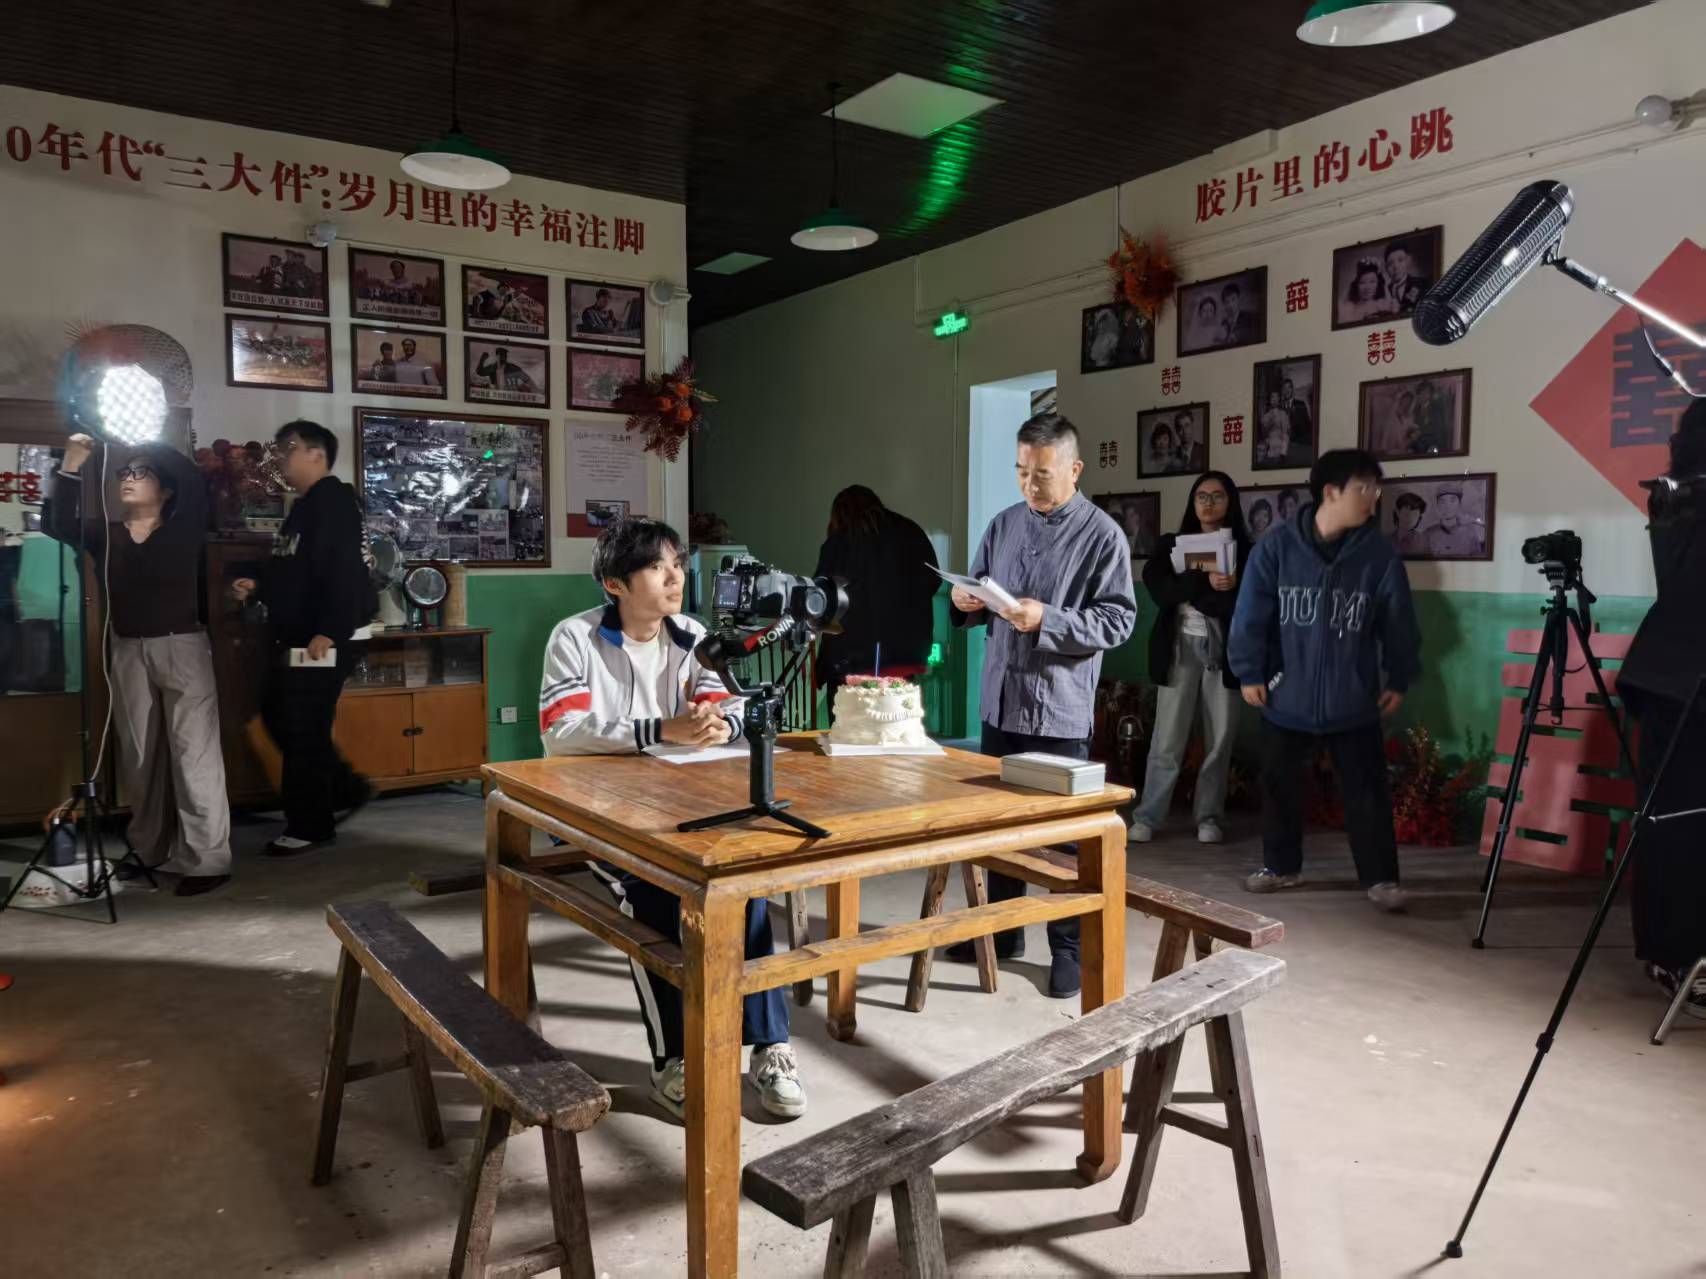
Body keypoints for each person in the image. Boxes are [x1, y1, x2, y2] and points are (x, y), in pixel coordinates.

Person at [538, 517, 806, 1121]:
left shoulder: (691, 634)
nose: (675, 578)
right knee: (655, 897)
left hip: (682, 803)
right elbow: (561, 732)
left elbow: (725, 703)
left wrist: (720, 725)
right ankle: (674, 1059)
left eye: (678, 565)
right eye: (657, 567)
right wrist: (661, 730)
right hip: (597, 813)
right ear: (615, 583)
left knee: (743, 884)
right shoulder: (575, 638)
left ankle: (770, 1047)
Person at [945, 413, 1137, 997]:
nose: (1030, 484)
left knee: (1060, 839)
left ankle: (1069, 950)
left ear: (1075, 470)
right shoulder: (1004, 524)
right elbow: (978, 584)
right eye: (1022, 471)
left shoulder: (1103, 536)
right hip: (1001, 699)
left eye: (1043, 474)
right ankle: (1003, 933)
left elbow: (1118, 620)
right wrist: (964, 598)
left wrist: (1047, 619)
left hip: (1057, 707)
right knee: (998, 828)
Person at [1228, 448, 1421, 910]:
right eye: (1364, 488)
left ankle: (1381, 879)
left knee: (1367, 793)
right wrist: (1249, 671)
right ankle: (1281, 867)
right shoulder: (1276, 548)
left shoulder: (1378, 556)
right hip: (1285, 697)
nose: (1374, 497)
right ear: (1330, 492)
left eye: (1376, 488)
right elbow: (1250, 615)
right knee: (1279, 787)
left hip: (1353, 700)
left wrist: (1398, 676)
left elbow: (1399, 623)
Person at [46, 433, 232, 896]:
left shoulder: (182, 527)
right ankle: (151, 851)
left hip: (182, 649)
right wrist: (71, 464)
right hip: (128, 650)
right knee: (140, 757)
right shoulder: (107, 535)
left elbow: (191, 479)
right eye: (124, 473)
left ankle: (207, 859)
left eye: (141, 473)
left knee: (194, 755)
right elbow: (57, 522)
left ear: (164, 490)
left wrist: (146, 438)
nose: (128, 479)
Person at [232, 421, 375, 855]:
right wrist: (258, 585)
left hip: (324, 637)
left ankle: (310, 825)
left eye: (288, 448)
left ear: (317, 454)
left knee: (301, 725)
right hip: (300, 636)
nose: (281, 457)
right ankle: (345, 788)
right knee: (281, 714)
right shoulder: (305, 506)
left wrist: (329, 631)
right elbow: (293, 569)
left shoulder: (334, 502)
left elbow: (345, 570)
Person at [1617, 396, 1706, 1009]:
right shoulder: (1681, 498)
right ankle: (1673, 956)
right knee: (1674, 824)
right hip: (1677, 684)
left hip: (1674, 677)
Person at [1131, 472, 1251, 844]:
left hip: (1225, 650)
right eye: (1202, 496)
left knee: (1220, 738)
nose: (1208, 503)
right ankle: (1148, 816)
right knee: (1167, 736)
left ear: (1230, 501)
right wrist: (1203, 579)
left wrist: (1216, 587)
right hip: (1178, 646)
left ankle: (1209, 817)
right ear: (1192, 501)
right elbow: (1162, 592)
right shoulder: (1171, 544)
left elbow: (1240, 605)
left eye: (1217, 496)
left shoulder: (1246, 551)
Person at [812, 486, 939, 714]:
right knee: (897, 722)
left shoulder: (840, 542)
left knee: (850, 725)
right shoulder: (911, 532)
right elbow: (933, 581)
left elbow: (822, 599)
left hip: (849, 658)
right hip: (904, 657)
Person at [1422, 487, 1485, 556]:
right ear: (1437, 506)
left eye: (1452, 501)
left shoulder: (1470, 533)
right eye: (1442, 502)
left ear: (1459, 504)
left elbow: (1477, 559)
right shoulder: (1428, 534)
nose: (1447, 506)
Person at [1384, 239, 1427, 313]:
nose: (1396, 267)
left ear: (1408, 261)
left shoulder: (1422, 284)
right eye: (1390, 263)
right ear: (1386, 268)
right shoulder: (1384, 291)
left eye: (1400, 260)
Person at [1409, 379, 1452, 455]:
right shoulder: (1416, 410)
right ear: (1418, 394)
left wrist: (1420, 432)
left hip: (1434, 445)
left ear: (1430, 394)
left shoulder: (1436, 407)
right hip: (1419, 446)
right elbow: (1414, 426)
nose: (1423, 395)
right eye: (1421, 392)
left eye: (1426, 392)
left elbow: (1437, 427)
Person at [1342, 259, 1390, 324]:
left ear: (1378, 284)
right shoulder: (1349, 309)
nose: (1368, 287)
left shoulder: (1383, 306)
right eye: (1362, 282)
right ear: (1356, 285)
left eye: (1372, 281)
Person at [1280, 377, 1313, 456]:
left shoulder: (1300, 404)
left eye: (1289, 387)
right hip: (1282, 448)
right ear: (1283, 391)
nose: (1287, 390)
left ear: (1292, 389)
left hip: (1299, 447)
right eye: (1285, 388)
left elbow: (1307, 426)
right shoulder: (1279, 407)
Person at [1218, 281, 1257, 346]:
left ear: (1239, 299)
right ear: (1224, 305)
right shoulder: (1223, 323)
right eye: (1227, 302)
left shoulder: (1250, 318)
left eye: (1233, 299)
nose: (1231, 305)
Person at [1258, 390, 1291, 464]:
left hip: (1281, 447)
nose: (1275, 399)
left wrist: (1283, 451)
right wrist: (1271, 420)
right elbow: (1263, 433)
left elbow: (1287, 432)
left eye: (1277, 397)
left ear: (1279, 399)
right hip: (1269, 446)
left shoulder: (1283, 414)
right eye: (1272, 397)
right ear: (1270, 400)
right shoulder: (1266, 416)